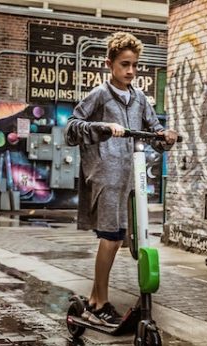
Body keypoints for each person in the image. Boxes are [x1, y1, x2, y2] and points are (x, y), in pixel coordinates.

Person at [65, 32, 178, 327]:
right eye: (124, 64)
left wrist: (166, 136)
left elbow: (154, 130)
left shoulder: (140, 98)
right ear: (110, 64)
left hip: (131, 177)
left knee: (122, 240)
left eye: (134, 65)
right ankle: (100, 304)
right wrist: (104, 127)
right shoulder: (100, 94)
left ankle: (92, 302)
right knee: (110, 238)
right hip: (105, 174)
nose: (130, 71)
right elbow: (72, 128)